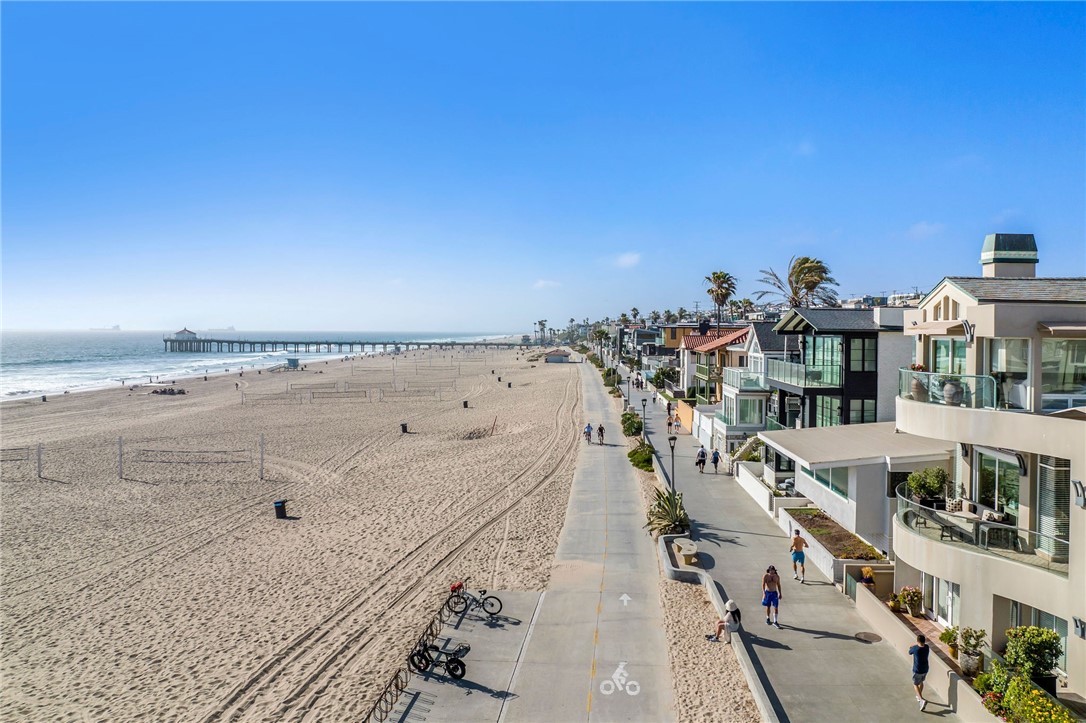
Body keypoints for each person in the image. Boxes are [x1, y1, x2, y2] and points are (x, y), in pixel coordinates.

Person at [909, 634, 930, 710]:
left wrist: (913, 646)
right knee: (921, 682)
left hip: (917, 670)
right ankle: (919, 696)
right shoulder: (927, 647)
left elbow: (910, 652)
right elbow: (921, 645)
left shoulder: (916, 649)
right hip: (925, 669)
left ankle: (921, 700)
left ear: (917, 641)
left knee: (915, 684)